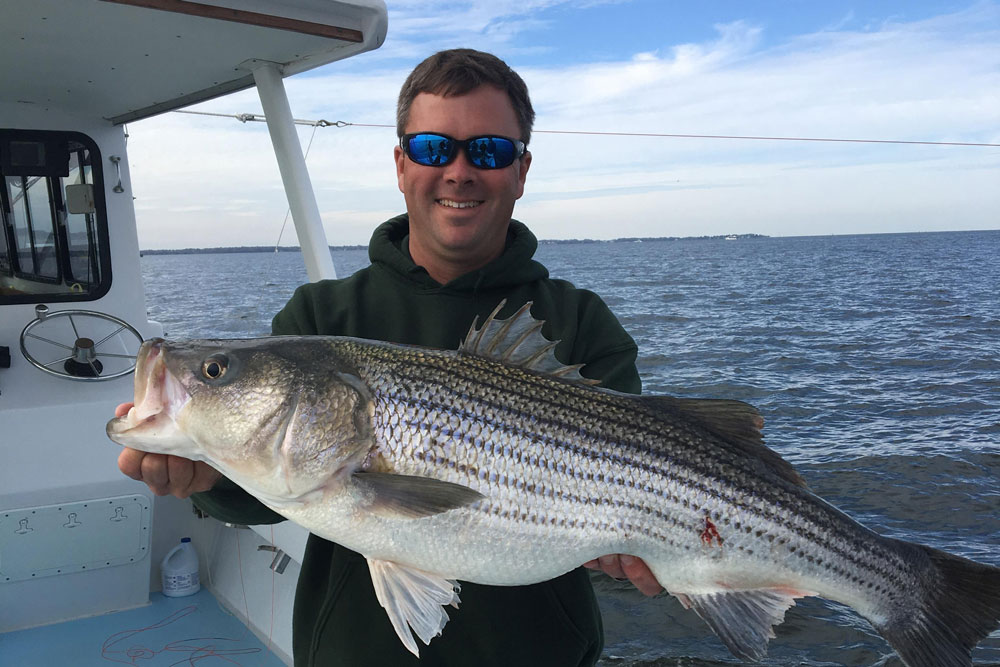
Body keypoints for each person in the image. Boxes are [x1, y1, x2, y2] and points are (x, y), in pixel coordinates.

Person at [117, 48, 661, 667]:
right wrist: (206, 476)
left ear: (521, 170)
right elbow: (266, 491)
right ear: (402, 165)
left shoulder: (579, 321)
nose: (459, 171)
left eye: (488, 151)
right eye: (434, 149)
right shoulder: (321, 319)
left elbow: (639, 499)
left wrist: (645, 549)